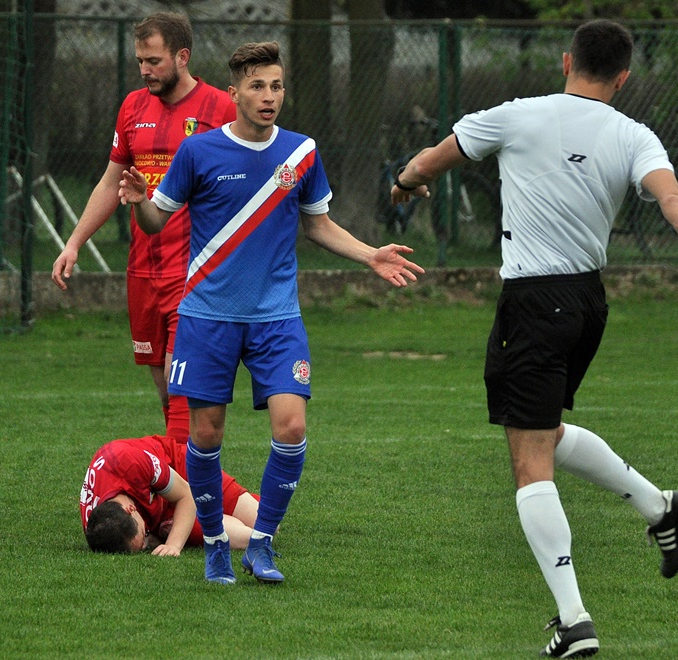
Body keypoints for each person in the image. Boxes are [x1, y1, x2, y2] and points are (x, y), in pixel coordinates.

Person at [391, 20, 678, 657]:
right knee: (546, 433)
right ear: (622, 77)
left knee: (529, 463)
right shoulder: (634, 134)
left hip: (533, 302)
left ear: (565, 61)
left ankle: (574, 619)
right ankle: (660, 507)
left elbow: (428, 161)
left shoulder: (516, 114)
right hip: (589, 302)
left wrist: (406, 181)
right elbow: (673, 202)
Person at [121, 41, 425, 586]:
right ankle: (215, 546)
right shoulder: (200, 152)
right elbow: (153, 223)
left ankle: (260, 546)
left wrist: (369, 254)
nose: (269, 97)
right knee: (207, 439)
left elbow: (318, 224)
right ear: (234, 92)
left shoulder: (301, 153)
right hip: (207, 317)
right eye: (258, 86)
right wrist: (140, 198)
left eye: (277, 86)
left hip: (277, 318)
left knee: (292, 426)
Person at [51, 13, 235, 443]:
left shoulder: (221, 109)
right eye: (139, 61)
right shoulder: (133, 106)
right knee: (166, 391)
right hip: (144, 272)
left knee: (181, 387)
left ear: (182, 56)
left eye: (153, 61)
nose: (144, 70)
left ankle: (186, 500)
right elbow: (110, 179)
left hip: (195, 274)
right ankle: (191, 484)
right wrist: (74, 242)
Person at [80, 434, 261, 555]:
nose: (146, 544)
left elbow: (186, 494)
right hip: (161, 514)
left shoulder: (130, 462)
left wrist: (173, 545)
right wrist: (158, 535)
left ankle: (232, 504)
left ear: (130, 509)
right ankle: (213, 511)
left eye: (143, 536)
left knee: (266, 524)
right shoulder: (97, 527)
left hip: (177, 472)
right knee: (252, 538)